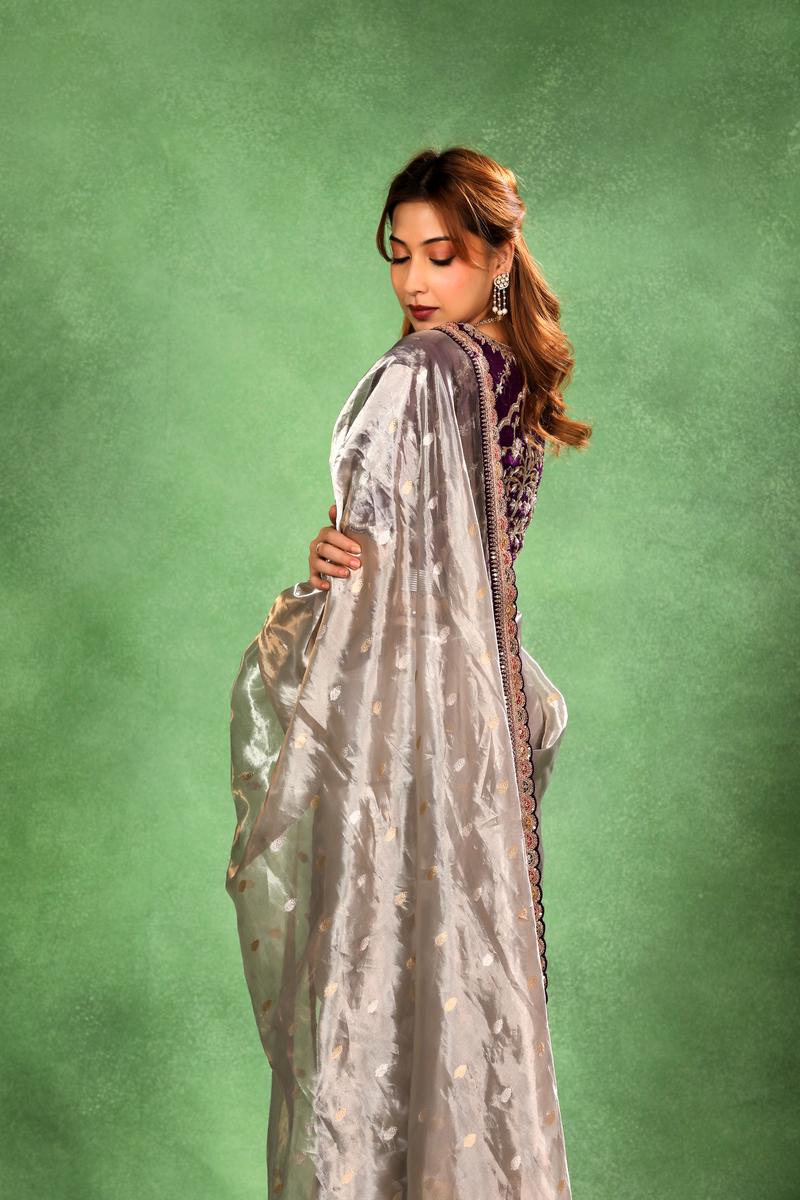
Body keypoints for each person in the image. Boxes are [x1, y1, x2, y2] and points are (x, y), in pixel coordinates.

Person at [226, 145, 592, 1199]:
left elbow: (395, 577)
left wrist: (313, 605)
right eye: (400, 254)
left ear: (499, 257)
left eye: (444, 254)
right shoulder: (507, 376)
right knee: (463, 998)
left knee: (380, 989)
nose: (415, 281)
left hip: (404, 725)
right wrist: (343, 555)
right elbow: (421, 561)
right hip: (477, 722)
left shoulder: (423, 373)